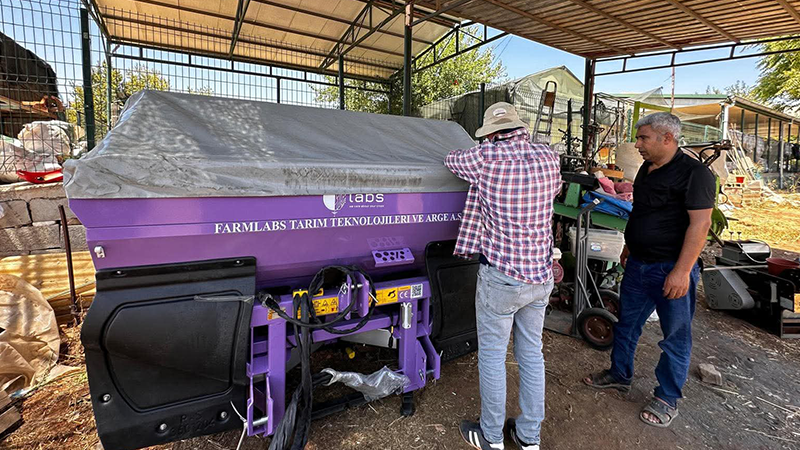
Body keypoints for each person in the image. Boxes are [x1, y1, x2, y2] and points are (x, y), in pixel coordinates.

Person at [583, 112, 715, 428]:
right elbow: (640, 211)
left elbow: (701, 225)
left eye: (643, 138)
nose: (638, 144)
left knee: (675, 338)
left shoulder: (695, 174)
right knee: (627, 325)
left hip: (670, 268)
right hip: (639, 264)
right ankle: (619, 374)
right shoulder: (647, 168)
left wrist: (682, 272)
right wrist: (630, 245)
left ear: (666, 138)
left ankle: (667, 397)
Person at [444, 102, 561, 450]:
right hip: (540, 277)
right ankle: (529, 437)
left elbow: (450, 159)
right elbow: (553, 192)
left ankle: (491, 437)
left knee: (493, 357)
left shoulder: (483, 159)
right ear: (521, 128)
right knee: (532, 355)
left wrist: (484, 148)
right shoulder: (549, 158)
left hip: (502, 278)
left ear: (491, 135)